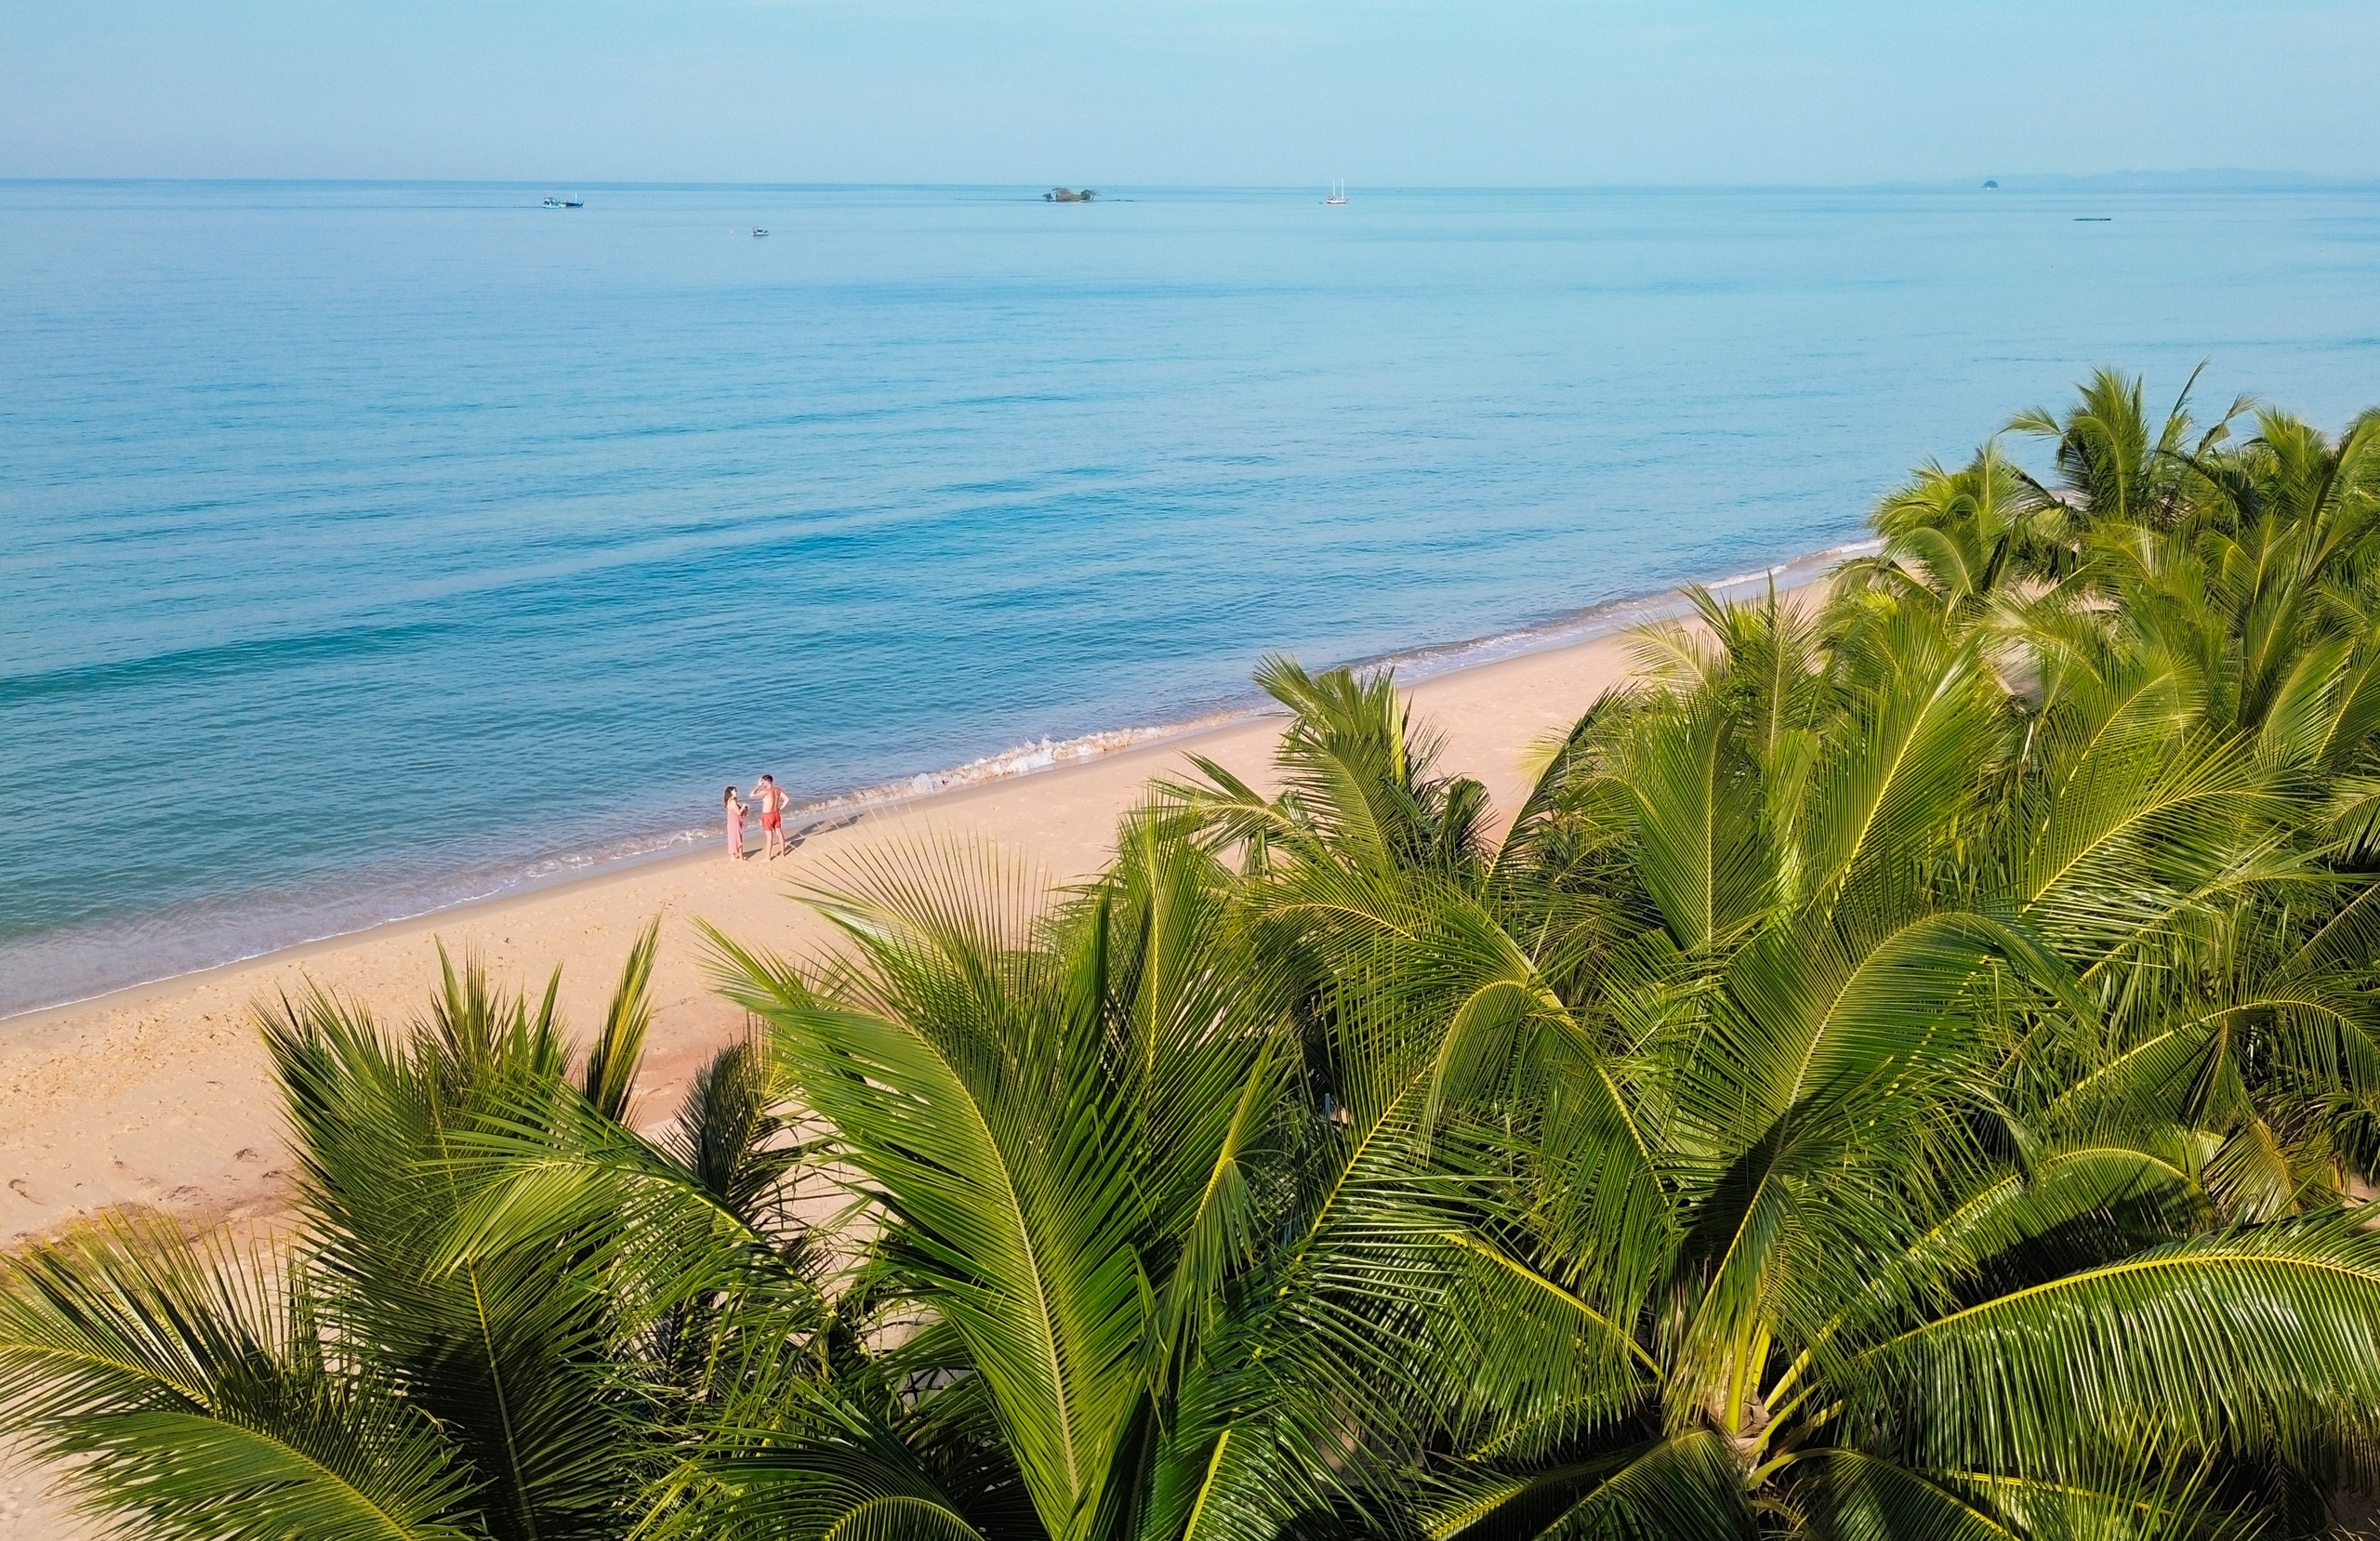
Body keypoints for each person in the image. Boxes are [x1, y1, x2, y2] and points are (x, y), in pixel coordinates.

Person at [754, 773, 790, 860]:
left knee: (769, 837)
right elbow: (787, 799)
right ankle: (783, 853)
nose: (762, 784)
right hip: (776, 813)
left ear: (767, 781)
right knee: (779, 834)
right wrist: (780, 808)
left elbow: (752, 794)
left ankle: (768, 857)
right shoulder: (777, 790)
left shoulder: (766, 791)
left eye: (763, 782)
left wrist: (757, 786)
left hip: (768, 815)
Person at [723, 785, 747, 862]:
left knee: (732, 839)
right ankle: (741, 858)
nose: (736, 792)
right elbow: (739, 812)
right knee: (738, 839)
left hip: (731, 823)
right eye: (734, 791)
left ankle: (733, 856)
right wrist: (743, 806)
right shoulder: (733, 802)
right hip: (735, 823)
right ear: (730, 793)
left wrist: (743, 808)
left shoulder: (729, 801)